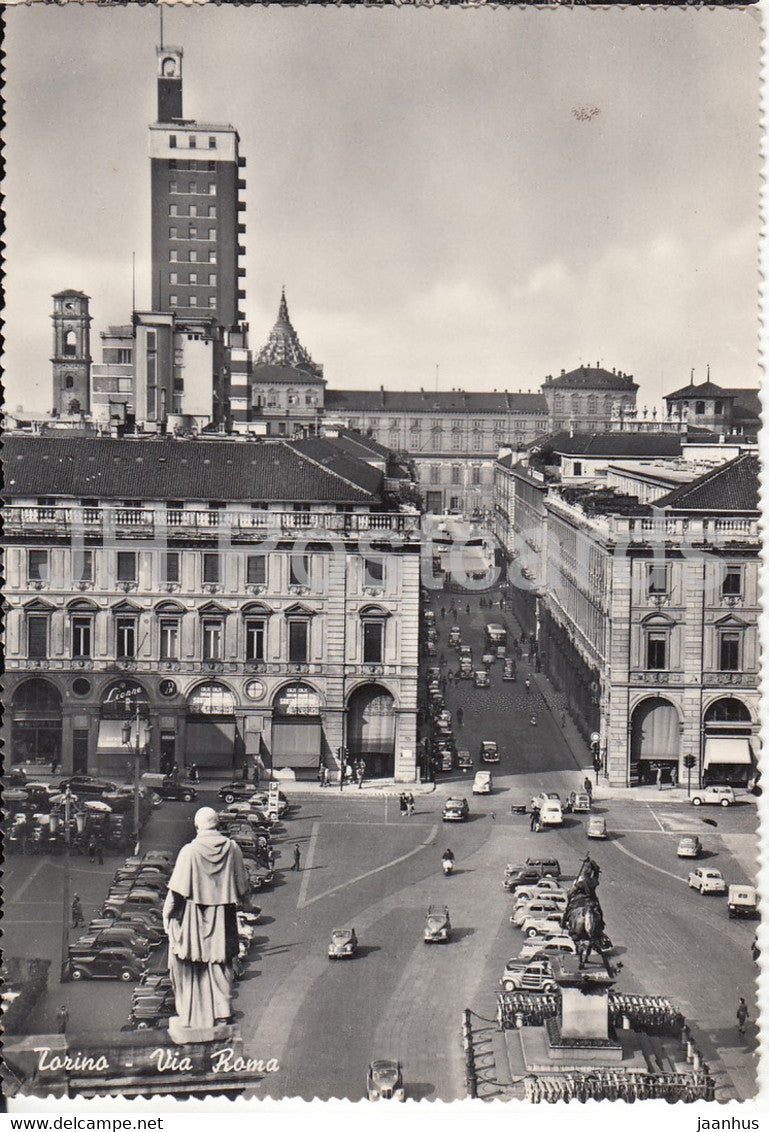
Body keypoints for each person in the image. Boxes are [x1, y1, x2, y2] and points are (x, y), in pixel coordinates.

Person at [163, 806, 250, 1039]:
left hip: (194, 919)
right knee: (220, 964)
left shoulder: (189, 852)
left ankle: (193, 1014)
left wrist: (167, 915)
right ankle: (222, 1012)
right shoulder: (232, 848)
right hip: (224, 918)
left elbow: (176, 894)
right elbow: (242, 887)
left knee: (193, 964)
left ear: (197, 825)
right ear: (217, 824)